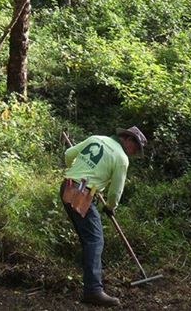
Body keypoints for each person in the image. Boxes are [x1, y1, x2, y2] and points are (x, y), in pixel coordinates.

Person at [60, 126, 147, 308]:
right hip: (81, 195)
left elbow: (69, 154)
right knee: (95, 240)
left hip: (67, 188)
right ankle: (93, 291)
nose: (133, 153)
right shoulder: (121, 159)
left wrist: (75, 173)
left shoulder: (96, 138)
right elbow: (116, 191)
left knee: (88, 238)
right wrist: (110, 207)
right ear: (128, 140)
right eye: (135, 148)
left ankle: (86, 276)